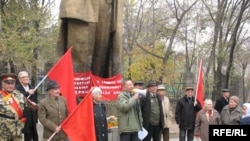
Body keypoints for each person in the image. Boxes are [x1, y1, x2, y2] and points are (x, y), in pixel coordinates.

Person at [0, 73, 27, 140]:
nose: (10, 85)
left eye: (12, 83)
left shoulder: (19, 94)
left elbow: (26, 106)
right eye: (8, 83)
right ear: (3, 83)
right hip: (3, 131)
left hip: (17, 130)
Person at [15, 71, 38, 141]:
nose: (26, 78)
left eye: (27, 77)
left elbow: (35, 102)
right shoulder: (17, 88)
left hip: (32, 115)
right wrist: (27, 93)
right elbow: (17, 98)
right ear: (20, 79)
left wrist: (36, 116)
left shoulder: (33, 88)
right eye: (23, 77)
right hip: (23, 115)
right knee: (26, 135)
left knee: (34, 135)